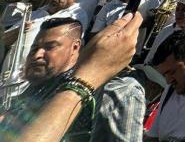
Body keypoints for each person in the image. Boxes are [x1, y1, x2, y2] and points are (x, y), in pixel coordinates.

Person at [0, 17, 146, 141]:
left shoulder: (115, 91)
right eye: (34, 48)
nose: (37, 54)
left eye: (49, 47)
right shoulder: (35, 85)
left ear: (75, 47)